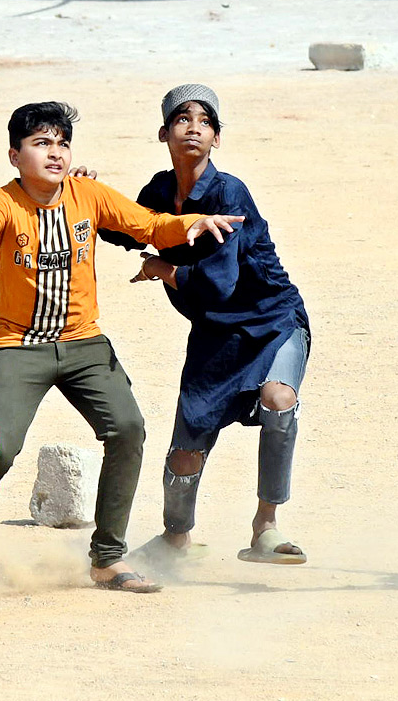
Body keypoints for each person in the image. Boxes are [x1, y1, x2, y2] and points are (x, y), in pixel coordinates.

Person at [0, 101, 243, 593]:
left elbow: (146, 223)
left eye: (62, 143)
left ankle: (107, 559)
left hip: (84, 342)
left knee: (128, 430)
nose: (56, 153)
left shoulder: (87, 194)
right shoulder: (0, 202)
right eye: (42, 143)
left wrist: (189, 222)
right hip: (17, 347)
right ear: (14, 155)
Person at [102, 84, 311, 566]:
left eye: (204, 121)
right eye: (181, 119)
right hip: (215, 333)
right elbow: (121, 227)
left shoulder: (228, 191)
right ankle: (176, 538)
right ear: (163, 133)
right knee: (185, 451)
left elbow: (217, 283)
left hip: (272, 319)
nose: (193, 127)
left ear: (216, 138)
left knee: (279, 399)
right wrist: (80, 189)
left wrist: (160, 268)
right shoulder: (158, 190)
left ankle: (265, 528)